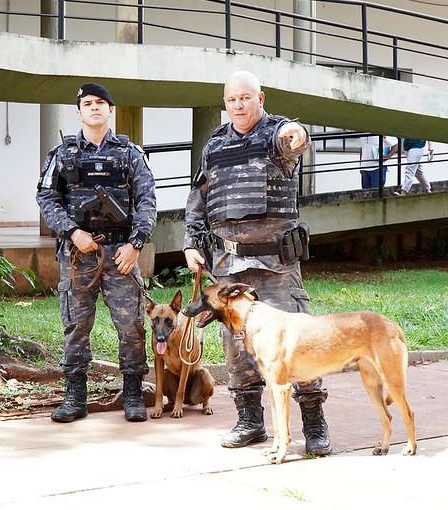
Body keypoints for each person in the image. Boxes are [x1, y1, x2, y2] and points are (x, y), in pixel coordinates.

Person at [183, 70, 331, 456]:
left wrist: (297, 133)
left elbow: (294, 137)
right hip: (228, 266)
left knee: (298, 344)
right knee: (237, 347)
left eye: (245, 98)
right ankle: (250, 422)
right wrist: (190, 244)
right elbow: (199, 199)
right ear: (225, 103)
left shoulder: (276, 134)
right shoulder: (214, 145)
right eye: (232, 100)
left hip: (276, 267)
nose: (239, 106)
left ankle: (314, 424)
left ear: (260, 98)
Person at [36, 83, 157, 423]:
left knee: (131, 324)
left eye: (100, 103)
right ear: (78, 112)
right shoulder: (63, 154)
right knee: (76, 325)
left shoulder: (129, 153)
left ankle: (133, 393)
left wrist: (136, 244)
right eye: (86, 103)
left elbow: (147, 200)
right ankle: (75, 396)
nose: (93, 108)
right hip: (78, 255)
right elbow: (47, 198)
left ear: (110, 110)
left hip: (121, 254)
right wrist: (73, 232)